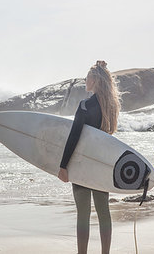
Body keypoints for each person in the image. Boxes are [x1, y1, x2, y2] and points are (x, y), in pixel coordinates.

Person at [58, 60, 121, 254]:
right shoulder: (111, 106)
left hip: (83, 164)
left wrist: (63, 165)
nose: (85, 80)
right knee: (104, 212)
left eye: (87, 77)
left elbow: (74, 136)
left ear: (94, 80)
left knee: (83, 215)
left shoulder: (85, 106)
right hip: (102, 165)